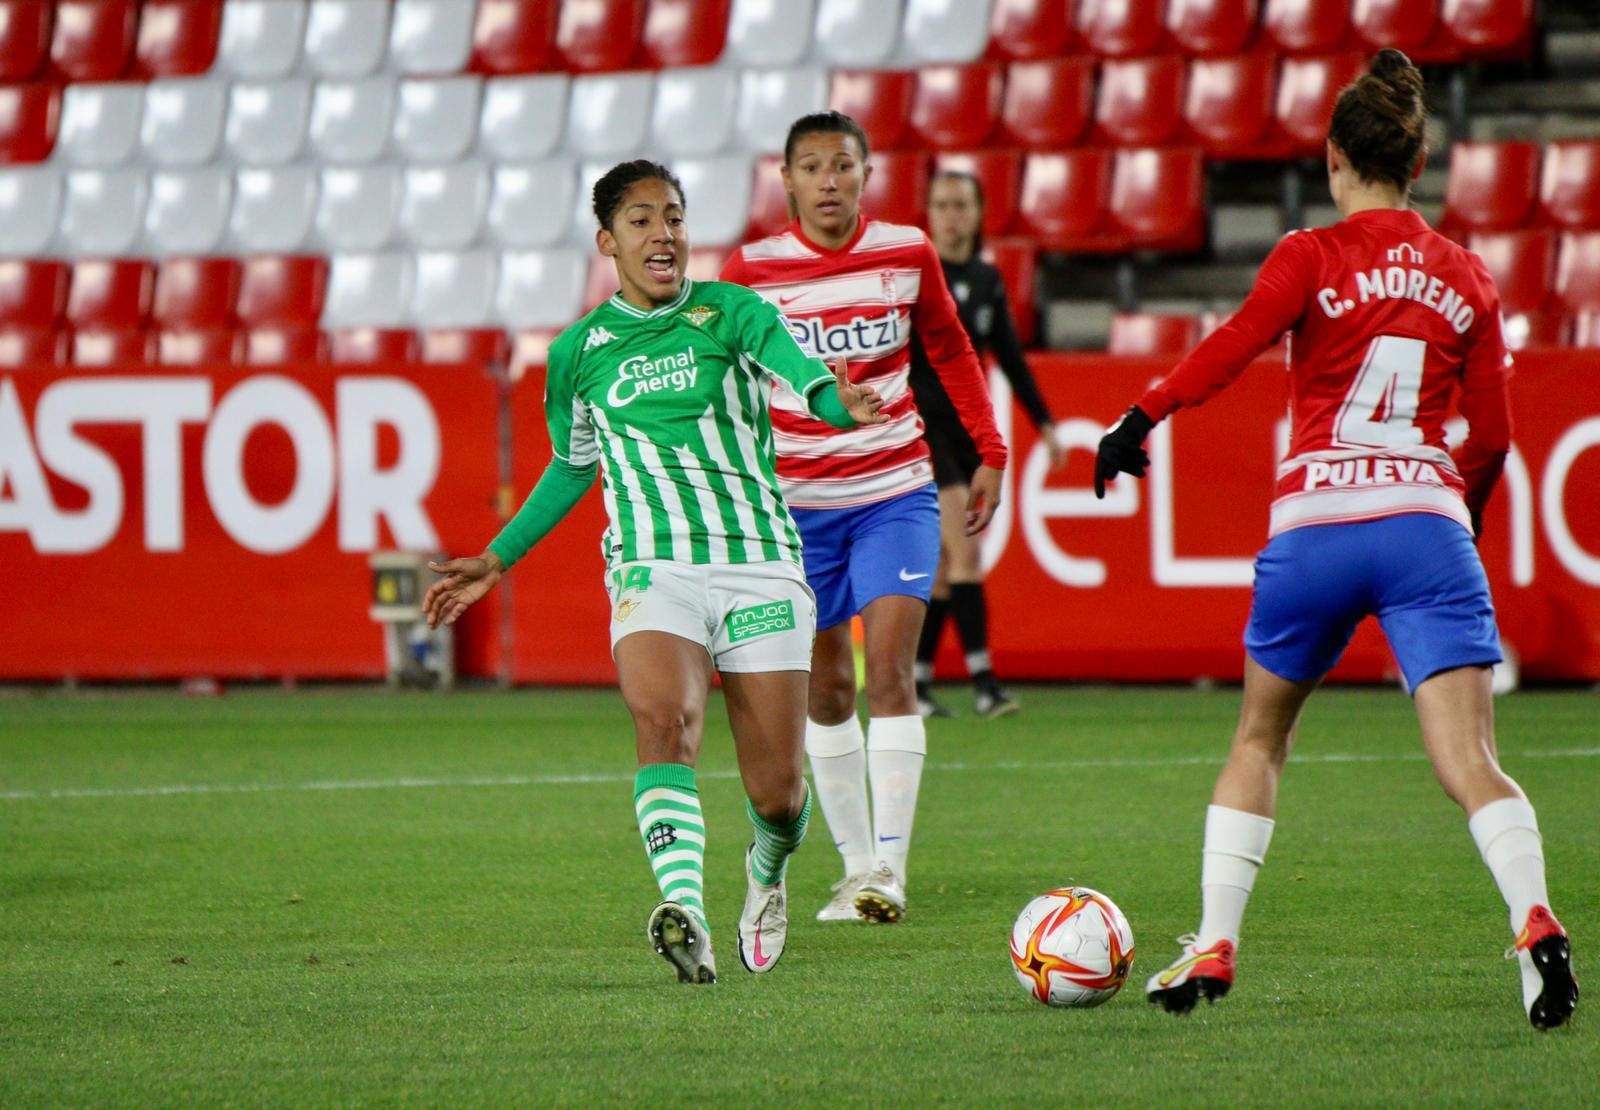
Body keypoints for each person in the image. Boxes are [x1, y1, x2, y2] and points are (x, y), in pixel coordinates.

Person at [1094, 50, 1577, 1030]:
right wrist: (1460, 516)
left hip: (1313, 526)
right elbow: (1490, 439)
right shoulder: (1466, 275)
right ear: (1417, 161)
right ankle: (1533, 922)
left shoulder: (1309, 256)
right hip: (1422, 528)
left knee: (1259, 737)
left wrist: (1138, 418)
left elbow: (1229, 347)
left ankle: (1215, 940)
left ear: (1331, 159)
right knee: (1470, 759)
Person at [423, 160, 886, 985]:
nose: (662, 233)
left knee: (778, 795)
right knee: (664, 718)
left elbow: (793, 366)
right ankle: (687, 913)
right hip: (653, 565)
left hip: (759, 563)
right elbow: (573, 468)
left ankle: (767, 875)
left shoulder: (729, 310)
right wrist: (497, 558)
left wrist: (830, 401)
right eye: (641, 220)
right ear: (609, 241)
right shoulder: (577, 355)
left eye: (672, 216)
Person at [721, 113, 1008, 924]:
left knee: (889, 671)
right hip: (796, 508)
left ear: (866, 173)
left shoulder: (908, 253)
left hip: (895, 490)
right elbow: (726, 381)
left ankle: (889, 869)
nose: (828, 180)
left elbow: (950, 350)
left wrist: (991, 448)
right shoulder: (751, 273)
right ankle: (853, 871)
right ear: (785, 180)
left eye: (842, 164)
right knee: (827, 685)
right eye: (811, 166)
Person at [911, 170, 1065, 721]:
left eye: (961, 205)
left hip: (964, 432)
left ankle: (915, 682)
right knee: (967, 554)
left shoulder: (986, 278)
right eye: (942, 204)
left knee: (945, 565)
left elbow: (1010, 355)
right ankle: (984, 683)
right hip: (923, 432)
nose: (951, 215)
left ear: (978, 214)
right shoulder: (916, 277)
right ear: (928, 213)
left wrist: (1044, 423)